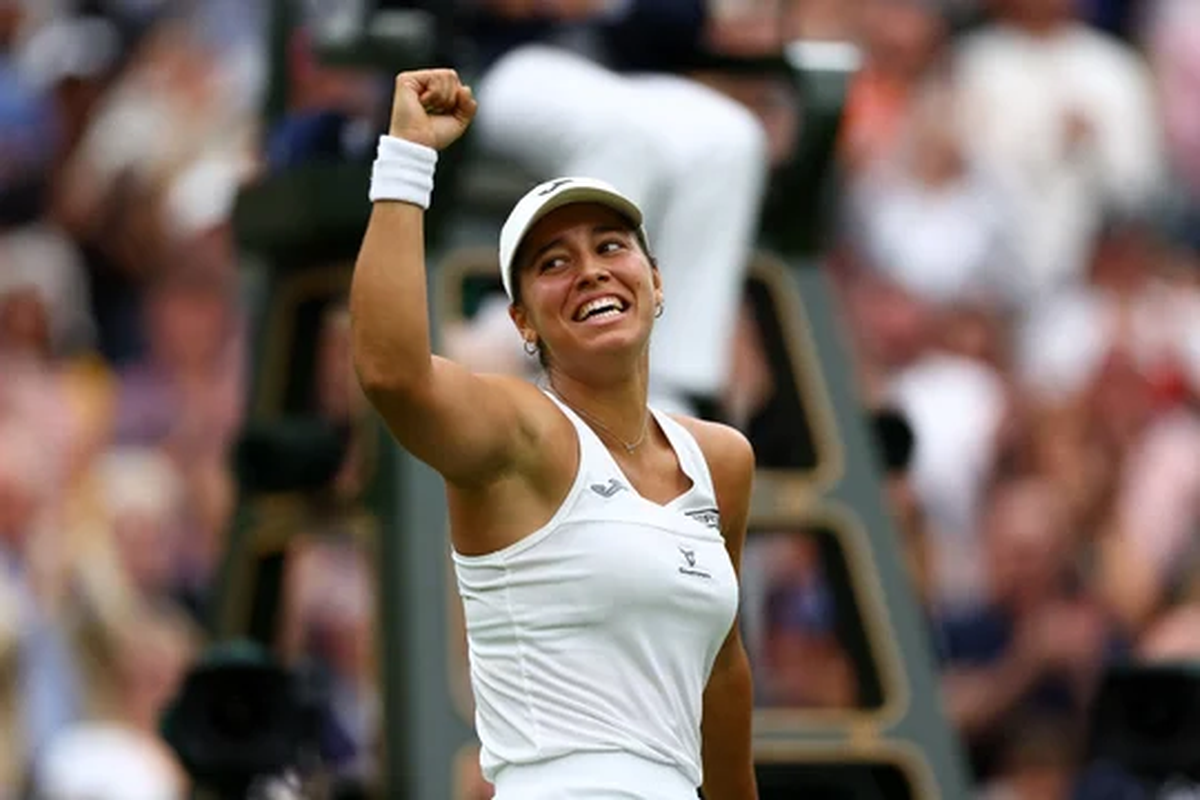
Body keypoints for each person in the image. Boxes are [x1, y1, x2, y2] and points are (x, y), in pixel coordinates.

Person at [350, 69, 758, 799]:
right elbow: (391, 373)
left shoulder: (721, 459)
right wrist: (407, 157)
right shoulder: (518, 433)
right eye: (554, 263)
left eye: (611, 247)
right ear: (523, 323)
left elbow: (721, 674)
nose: (591, 272)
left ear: (657, 281)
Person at [463, 0, 769, 416]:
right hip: (494, 62)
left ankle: (666, 389)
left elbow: (686, 17)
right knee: (623, 135)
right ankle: (536, 333)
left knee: (730, 138)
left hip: (618, 73)